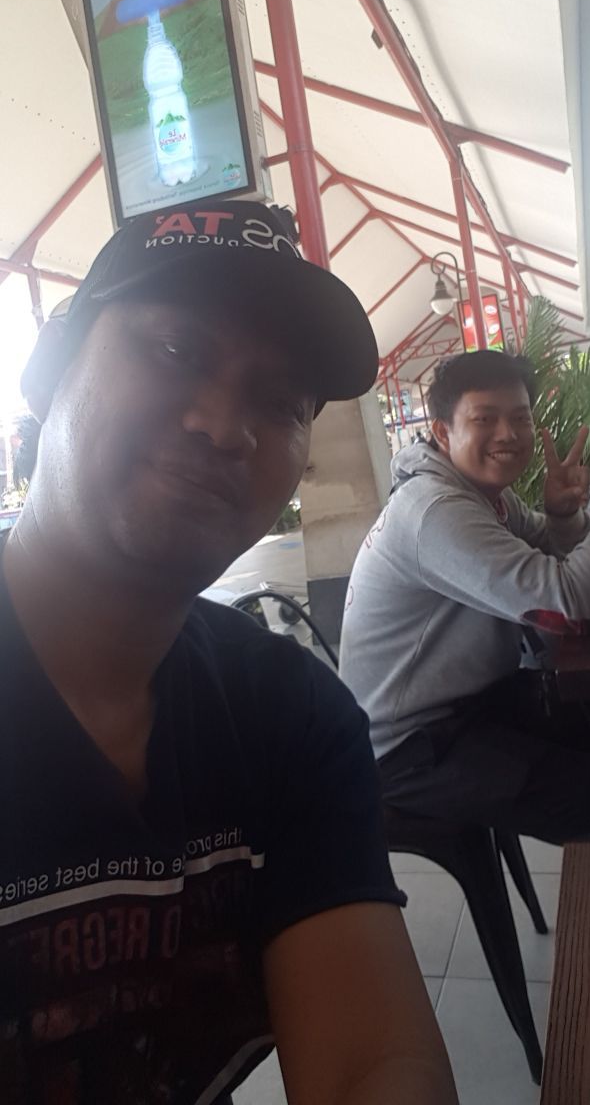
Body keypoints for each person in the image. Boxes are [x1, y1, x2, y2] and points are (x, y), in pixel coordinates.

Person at [0, 200, 457, 1105]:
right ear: (49, 372)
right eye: (177, 350)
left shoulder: (288, 717)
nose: (225, 425)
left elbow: (371, 1064)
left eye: (280, 403)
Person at [340, 349, 590, 845]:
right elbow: (569, 599)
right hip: (409, 745)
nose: (507, 434)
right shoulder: (434, 510)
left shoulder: (488, 497)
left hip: (477, 703)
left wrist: (563, 516)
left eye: (520, 418)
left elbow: (554, 563)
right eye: (485, 419)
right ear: (442, 431)